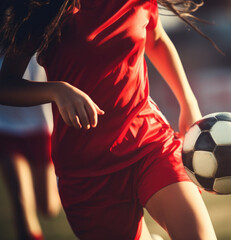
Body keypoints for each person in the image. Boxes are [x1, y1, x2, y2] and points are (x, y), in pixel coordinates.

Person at [0, 0, 217, 239]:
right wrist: (56, 90)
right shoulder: (43, 10)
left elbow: (156, 39)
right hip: (87, 172)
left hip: (148, 144)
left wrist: (188, 103)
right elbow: (5, 85)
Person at [0, 55, 61, 240]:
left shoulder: (38, 27)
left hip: (41, 124)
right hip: (6, 125)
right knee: (21, 202)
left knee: (49, 207)